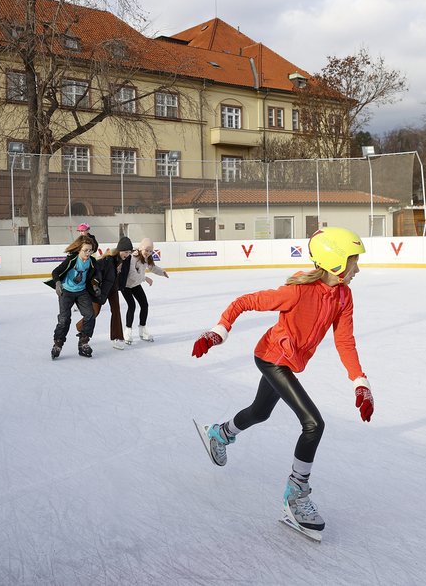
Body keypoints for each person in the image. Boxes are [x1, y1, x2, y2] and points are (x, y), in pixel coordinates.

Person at [190, 227, 374, 541]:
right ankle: (296, 496)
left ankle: (218, 433)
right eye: (354, 261)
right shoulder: (298, 292)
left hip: (289, 362)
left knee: (260, 412)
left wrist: (359, 381)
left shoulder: (343, 295)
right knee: (314, 424)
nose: (358, 269)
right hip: (272, 357)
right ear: (337, 263)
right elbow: (245, 301)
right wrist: (218, 331)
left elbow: (344, 340)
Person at [46, 235, 101, 359]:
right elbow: (55, 272)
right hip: (66, 292)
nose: (88, 253)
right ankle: (58, 344)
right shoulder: (72, 259)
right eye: (85, 250)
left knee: (90, 315)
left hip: (82, 291)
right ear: (79, 250)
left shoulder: (92, 262)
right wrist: (58, 283)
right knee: (64, 318)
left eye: (90, 250)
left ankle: (83, 343)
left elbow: (95, 275)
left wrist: (95, 285)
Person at [76, 235, 130, 349]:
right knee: (94, 312)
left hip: (113, 288)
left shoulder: (126, 260)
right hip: (102, 288)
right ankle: (81, 327)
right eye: (125, 251)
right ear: (119, 250)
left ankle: (117, 337)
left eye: (129, 252)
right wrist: (95, 283)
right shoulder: (108, 259)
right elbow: (96, 269)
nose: (127, 254)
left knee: (116, 311)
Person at [121, 236, 169, 343]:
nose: (148, 253)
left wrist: (162, 272)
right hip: (127, 286)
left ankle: (142, 330)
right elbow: (131, 274)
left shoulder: (147, 258)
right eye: (146, 250)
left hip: (136, 285)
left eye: (150, 251)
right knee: (132, 306)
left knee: (144, 305)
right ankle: (127, 332)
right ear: (141, 248)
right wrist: (145, 278)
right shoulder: (133, 257)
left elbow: (152, 267)